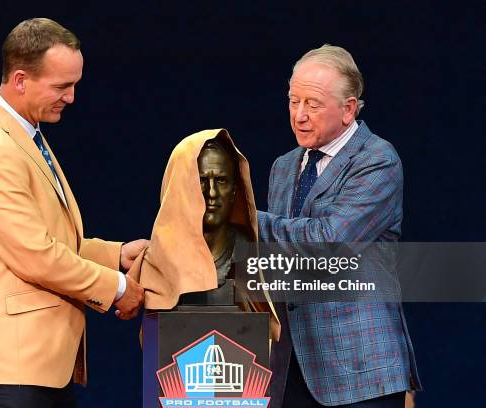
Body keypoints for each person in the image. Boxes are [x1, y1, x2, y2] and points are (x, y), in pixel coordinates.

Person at [0, 18, 146, 408]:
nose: (70, 97)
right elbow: (35, 255)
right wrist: (117, 288)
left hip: (31, 370)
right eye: (61, 86)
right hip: (6, 374)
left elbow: (52, 240)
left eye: (74, 85)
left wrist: (117, 255)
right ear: (20, 80)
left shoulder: (25, 135)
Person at [258, 45, 421, 407]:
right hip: (292, 368)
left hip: (360, 372)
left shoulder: (377, 159)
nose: (299, 115)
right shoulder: (283, 167)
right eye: (292, 101)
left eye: (312, 104)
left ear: (348, 109)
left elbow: (330, 240)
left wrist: (245, 220)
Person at [128, 129, 280, 339]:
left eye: (221, 181)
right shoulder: (155, 261)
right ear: (181, 188)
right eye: (201, 180)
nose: (211, 193)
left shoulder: (247, 253)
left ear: (235, 190)